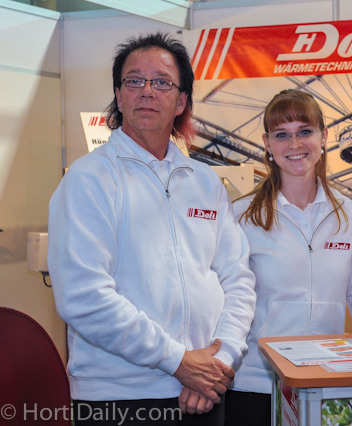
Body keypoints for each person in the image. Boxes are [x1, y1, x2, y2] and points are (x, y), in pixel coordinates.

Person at [48, 33, 256, 425]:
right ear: (118, 95)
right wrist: (178, 361)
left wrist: (220, 359)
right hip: (121, 397)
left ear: (181, 101)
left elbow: (238, 279)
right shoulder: (89, 179)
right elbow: (83, 295)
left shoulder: (204, 181)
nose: (147, 91)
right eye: (134, 80)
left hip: (206, 389)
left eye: (161, 82)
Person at [226, 89, 352, 425]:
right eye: (282, 135)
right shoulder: (242, 216)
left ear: (324, 137)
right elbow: (222, 305)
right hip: (255, 386)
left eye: (305, 131)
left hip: (327, 387)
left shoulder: (346, 214)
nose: (295, 144)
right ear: (267, 144)